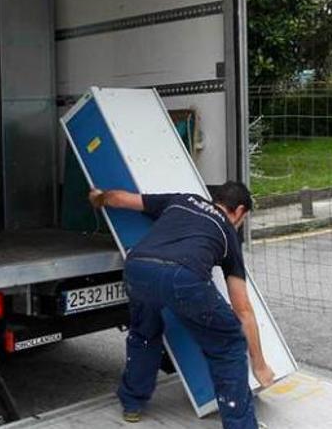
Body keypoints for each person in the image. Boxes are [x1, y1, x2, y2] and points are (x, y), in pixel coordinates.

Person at [89, 181, 274, 428]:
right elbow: (243, 309)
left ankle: (132, 404)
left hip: (138, 267)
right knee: (229, 343)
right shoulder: (228, 234)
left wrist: (100, 197)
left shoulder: (182, 200)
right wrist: (259, 364)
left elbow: (122, 199)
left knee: (144, 332)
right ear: (239, 210)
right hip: (184, 278)